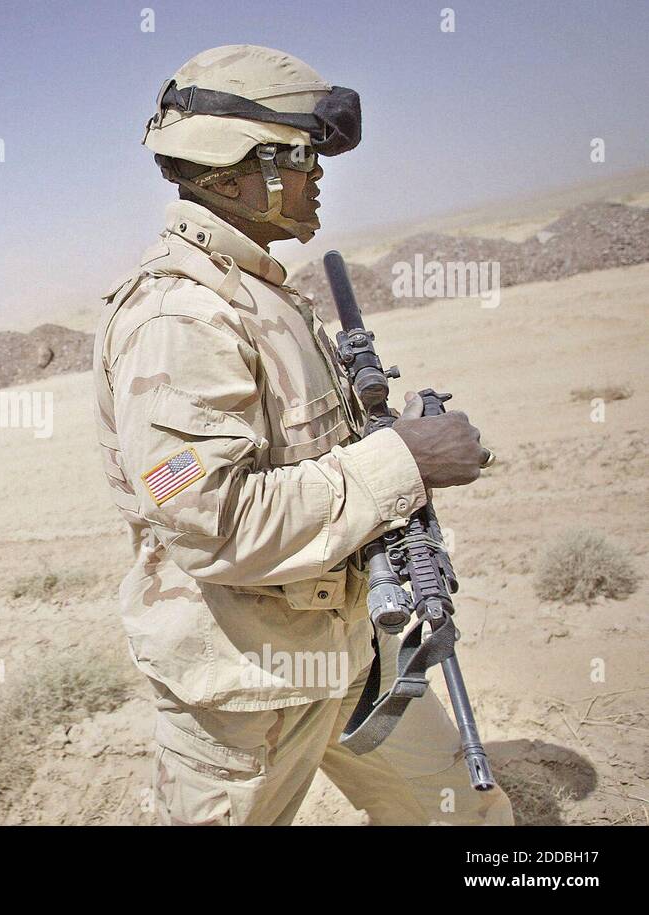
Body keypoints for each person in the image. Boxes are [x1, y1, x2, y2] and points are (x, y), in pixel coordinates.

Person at [93, 45, 512, 825]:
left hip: (348, 652)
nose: (318, 175)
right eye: (302, 156)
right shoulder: (179, 318)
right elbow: (211, 519)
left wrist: (391, 437)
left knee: (465, 814)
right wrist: (404, 460)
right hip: (244, 687)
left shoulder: (255, 293)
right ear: (228, 176)